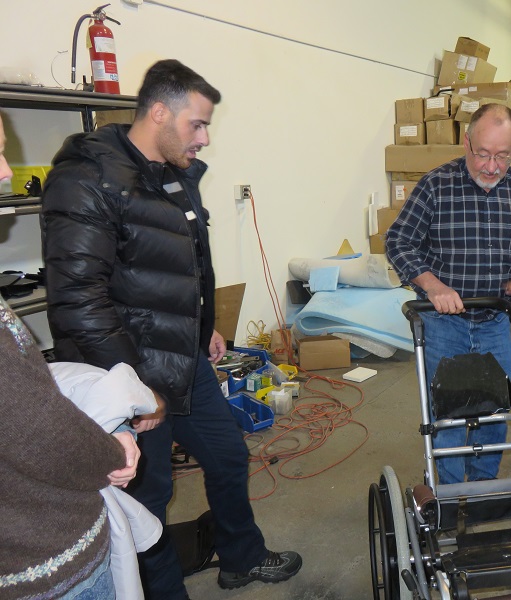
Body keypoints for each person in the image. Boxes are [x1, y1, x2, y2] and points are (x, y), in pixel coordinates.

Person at [40, 59, 301, 598]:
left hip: (181, 357)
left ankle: (241, 557)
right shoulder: (88, 177)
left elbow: (190, 265)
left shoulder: (174, 173)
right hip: (126, 373)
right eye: (197, 124)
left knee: (228, 455)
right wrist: (137, 389)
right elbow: (77, 302)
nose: (204, 138)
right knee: (147, 497)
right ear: (159, 111)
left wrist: (203, 326)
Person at [0, 113, 141, 599]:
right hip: (40, 561)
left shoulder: (159, 182)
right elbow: (30, 421)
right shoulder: (85, 183)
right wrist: (113, 442)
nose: (5, 172)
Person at [386, 103, 511, 485]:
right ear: (466, 143)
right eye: (482, 154)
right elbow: (398, 241)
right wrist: (434, 286)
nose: (491, 166)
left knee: (495, 413)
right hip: (444, 324)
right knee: (447, 414)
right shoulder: (436, 185)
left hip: (495, 320)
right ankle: (447, 493)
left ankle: (483, 490)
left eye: (502, 156)